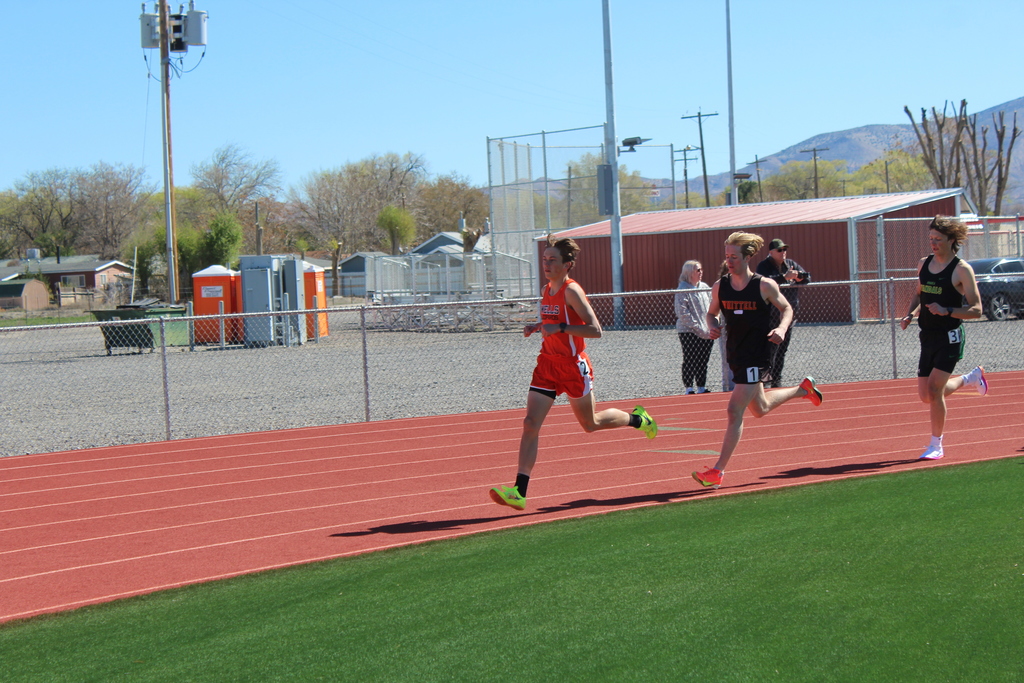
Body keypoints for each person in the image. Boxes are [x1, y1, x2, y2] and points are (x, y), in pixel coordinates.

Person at [489, 236, 658, 510]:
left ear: (567, 264)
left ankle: (638, 419)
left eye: (552, 260)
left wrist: (561, 329)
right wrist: (538, 326)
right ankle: (519, 491)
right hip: (547, 364)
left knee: (590, 424)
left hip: (572, 366)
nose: (546, 264)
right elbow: (553, 319)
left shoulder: (572, 291)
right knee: (530, 423)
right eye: (544, 259)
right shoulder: (546, 289)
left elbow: (596, 330)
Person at [692, 232, 823, 490]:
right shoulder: (720, 286)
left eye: (734, 257)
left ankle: (717, 471)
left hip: (758, 354)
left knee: (734, 410)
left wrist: (782, 329)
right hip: (736, 353)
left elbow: (787, 308)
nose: (729, 261)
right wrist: (712, 325)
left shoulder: (764, 285)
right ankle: (803, 389)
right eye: (727, 256)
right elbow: (711, 313)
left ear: (747, 257)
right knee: (759, 409)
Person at [899, 216, 989, 460]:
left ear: (951, 240)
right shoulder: (923, 264)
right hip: (927, 335)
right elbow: (920, 294)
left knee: (935, 389)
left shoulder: (961, 269)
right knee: (926, 395)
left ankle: (936, 445)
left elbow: (977, 310)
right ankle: (970, 378)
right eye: (931, 238)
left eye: (938, 239)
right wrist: (910, 314)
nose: (933, 243)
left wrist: (947, 310)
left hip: (950, 336)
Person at [755, 238, 811, 387]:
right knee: (769, 351)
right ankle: (765, 381)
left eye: (784, 249)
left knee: (782, 350)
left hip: (787, 317)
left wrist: (799, 277)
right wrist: (784, 277)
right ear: (771, 252)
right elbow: (762, 282)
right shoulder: (764, 266)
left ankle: (776, 380)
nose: (783, 252)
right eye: (779, 250)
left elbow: (807, 277)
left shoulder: (790, 264)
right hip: (770, 317)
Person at [675, 260, 714, 394]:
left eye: (701, 269)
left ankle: (701, 386)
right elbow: (682, 313)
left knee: (703, 359)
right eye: (697, 270)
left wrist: (710, 325)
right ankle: (689, 388)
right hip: (688, 330)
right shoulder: (683, 289)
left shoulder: (704, 287)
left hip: (706, 330)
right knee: (690, 358)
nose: (700, 272)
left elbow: (712, 306)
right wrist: (697, 327)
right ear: (689, 272)